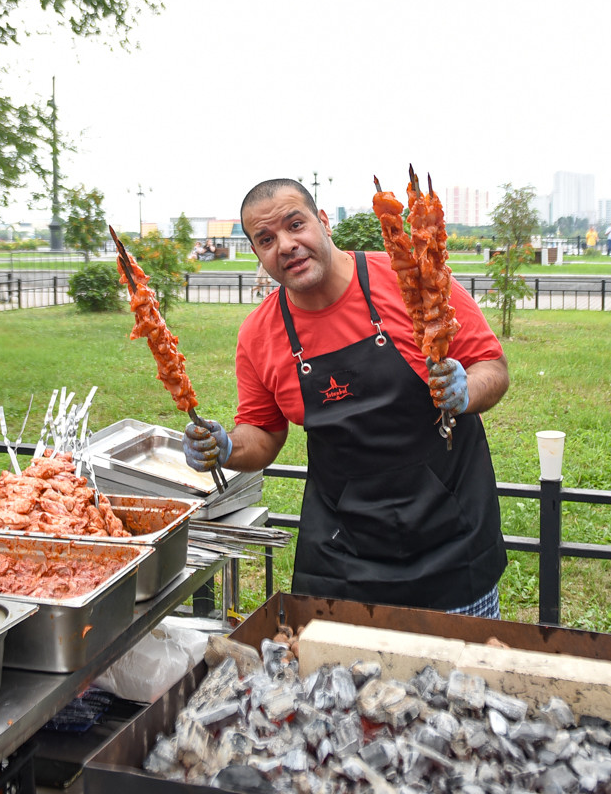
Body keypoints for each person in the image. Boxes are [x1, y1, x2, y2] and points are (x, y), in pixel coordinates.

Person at [183, 178, 510, 617]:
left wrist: (466, 390)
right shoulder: (260, 334)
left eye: (295, 224)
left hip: (449, 534)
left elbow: (492, 366)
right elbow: (262, 433)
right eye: (266, 239)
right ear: (258, 254)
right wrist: (226, 447)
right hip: (344, 552)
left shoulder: (411, 281)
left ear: (323, 222)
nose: (285, 245)